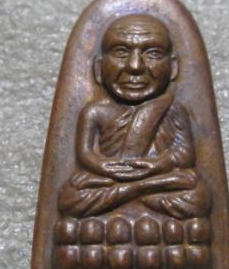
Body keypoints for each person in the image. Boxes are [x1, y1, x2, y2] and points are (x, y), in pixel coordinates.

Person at [58, 14, 210, 219]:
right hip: (111, 178)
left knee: (196, 193)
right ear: (98, 68)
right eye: (121, 52)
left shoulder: (172, 109)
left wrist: (157, 165)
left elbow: (184, 154)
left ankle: (133, 190)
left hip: (155, 176)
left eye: (153, 54)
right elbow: (85, 155)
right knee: (71, 195)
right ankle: (139, 189)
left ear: (173, 68)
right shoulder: (95, 111)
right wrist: (105, 167)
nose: (135, 66)